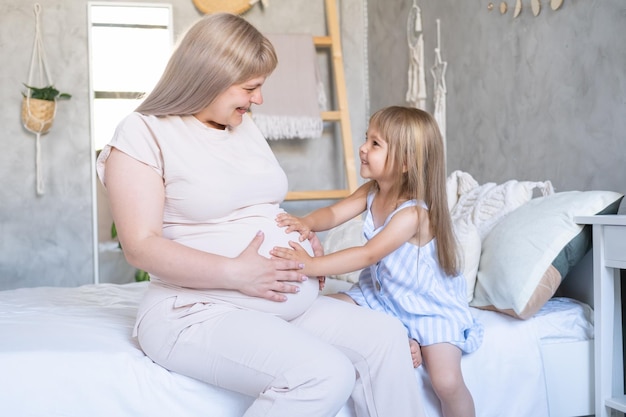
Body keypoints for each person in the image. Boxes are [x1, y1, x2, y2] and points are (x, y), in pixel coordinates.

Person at [96, 13, 425, 417]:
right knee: (325, 374)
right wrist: (238, 272)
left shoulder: (242, 126)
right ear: (209, 77)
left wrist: (301, 238)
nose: (259, 100)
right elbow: (140, 247)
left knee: (387, 336)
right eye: (251, 88)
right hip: (195, 310)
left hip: (282, 303)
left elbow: (258, 204)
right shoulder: (142, 133)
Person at [272, 106, 484, 417]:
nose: (362, 148)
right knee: (320, 310)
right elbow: (333, 213)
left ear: (405, 162)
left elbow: (367, 254)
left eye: (375, 144)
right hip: (381, 296)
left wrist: (311, 265)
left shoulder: (414, 213)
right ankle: (402, 337)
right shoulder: (372, 191)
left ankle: (414, 341)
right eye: (366, 138)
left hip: (426, 307)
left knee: (446, 381)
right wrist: (306, 222)